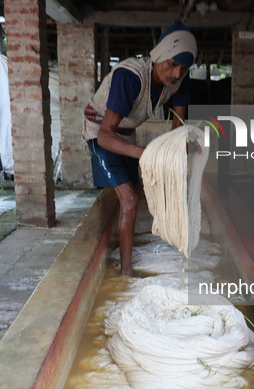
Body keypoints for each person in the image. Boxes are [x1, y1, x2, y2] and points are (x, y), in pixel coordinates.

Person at [83, 21, 197, 275]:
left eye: (183, 68)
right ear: (159, 56)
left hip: (126, 134)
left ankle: (125, 246)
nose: (177, 73)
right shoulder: (130, 77)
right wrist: (147, 153)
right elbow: (105, 136)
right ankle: (126, 272)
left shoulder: (179, 82)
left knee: (137, 189)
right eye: (172, 64)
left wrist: (182, 144)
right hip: (100, 132)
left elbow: (177, 126)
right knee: (130, 199)